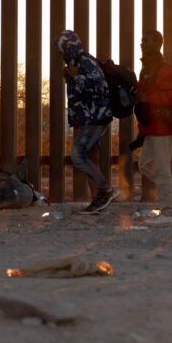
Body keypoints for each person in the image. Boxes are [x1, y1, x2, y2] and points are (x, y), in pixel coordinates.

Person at [56, 30, 118, 215]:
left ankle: (106, 190)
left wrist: (76, 77)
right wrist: (70, 76)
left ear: (69, 48)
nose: (60, 54)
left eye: (61, 50)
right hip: (85, 119)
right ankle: (98, 200)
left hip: (94, 118)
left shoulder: (86, 62)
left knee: (78, 156)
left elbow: (100, 88)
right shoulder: (75, 64)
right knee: (90, 157)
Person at [134, 30, 172, 226]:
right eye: (141, 40)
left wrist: (150, 99)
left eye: (145, 40)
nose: (142, 43)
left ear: (157, 44)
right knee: (145, 165)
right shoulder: (147, 69)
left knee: (162, 170)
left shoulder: (163, 69)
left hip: (163, 129)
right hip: (152, 128)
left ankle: (168, 213)